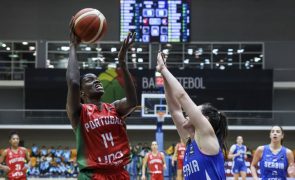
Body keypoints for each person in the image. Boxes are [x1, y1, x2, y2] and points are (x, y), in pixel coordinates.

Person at [66, 18, 137, 180]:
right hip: (93, 175)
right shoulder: (79, 113)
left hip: (120, 173)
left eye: (97, 78)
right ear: (82, 93)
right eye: (90, 80)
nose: (96, 81)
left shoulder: (114, 108)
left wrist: (122, 64)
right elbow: (74, 83)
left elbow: (133, 102)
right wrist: (73, 46)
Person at [156, 51, 228, 179]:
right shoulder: (190, 141)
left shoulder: (206, 135)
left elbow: (182, 96)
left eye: (194, 111)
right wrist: (163, 75)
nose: (187, 114)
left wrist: (163, 69)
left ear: (205, 119)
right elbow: (175, 110)